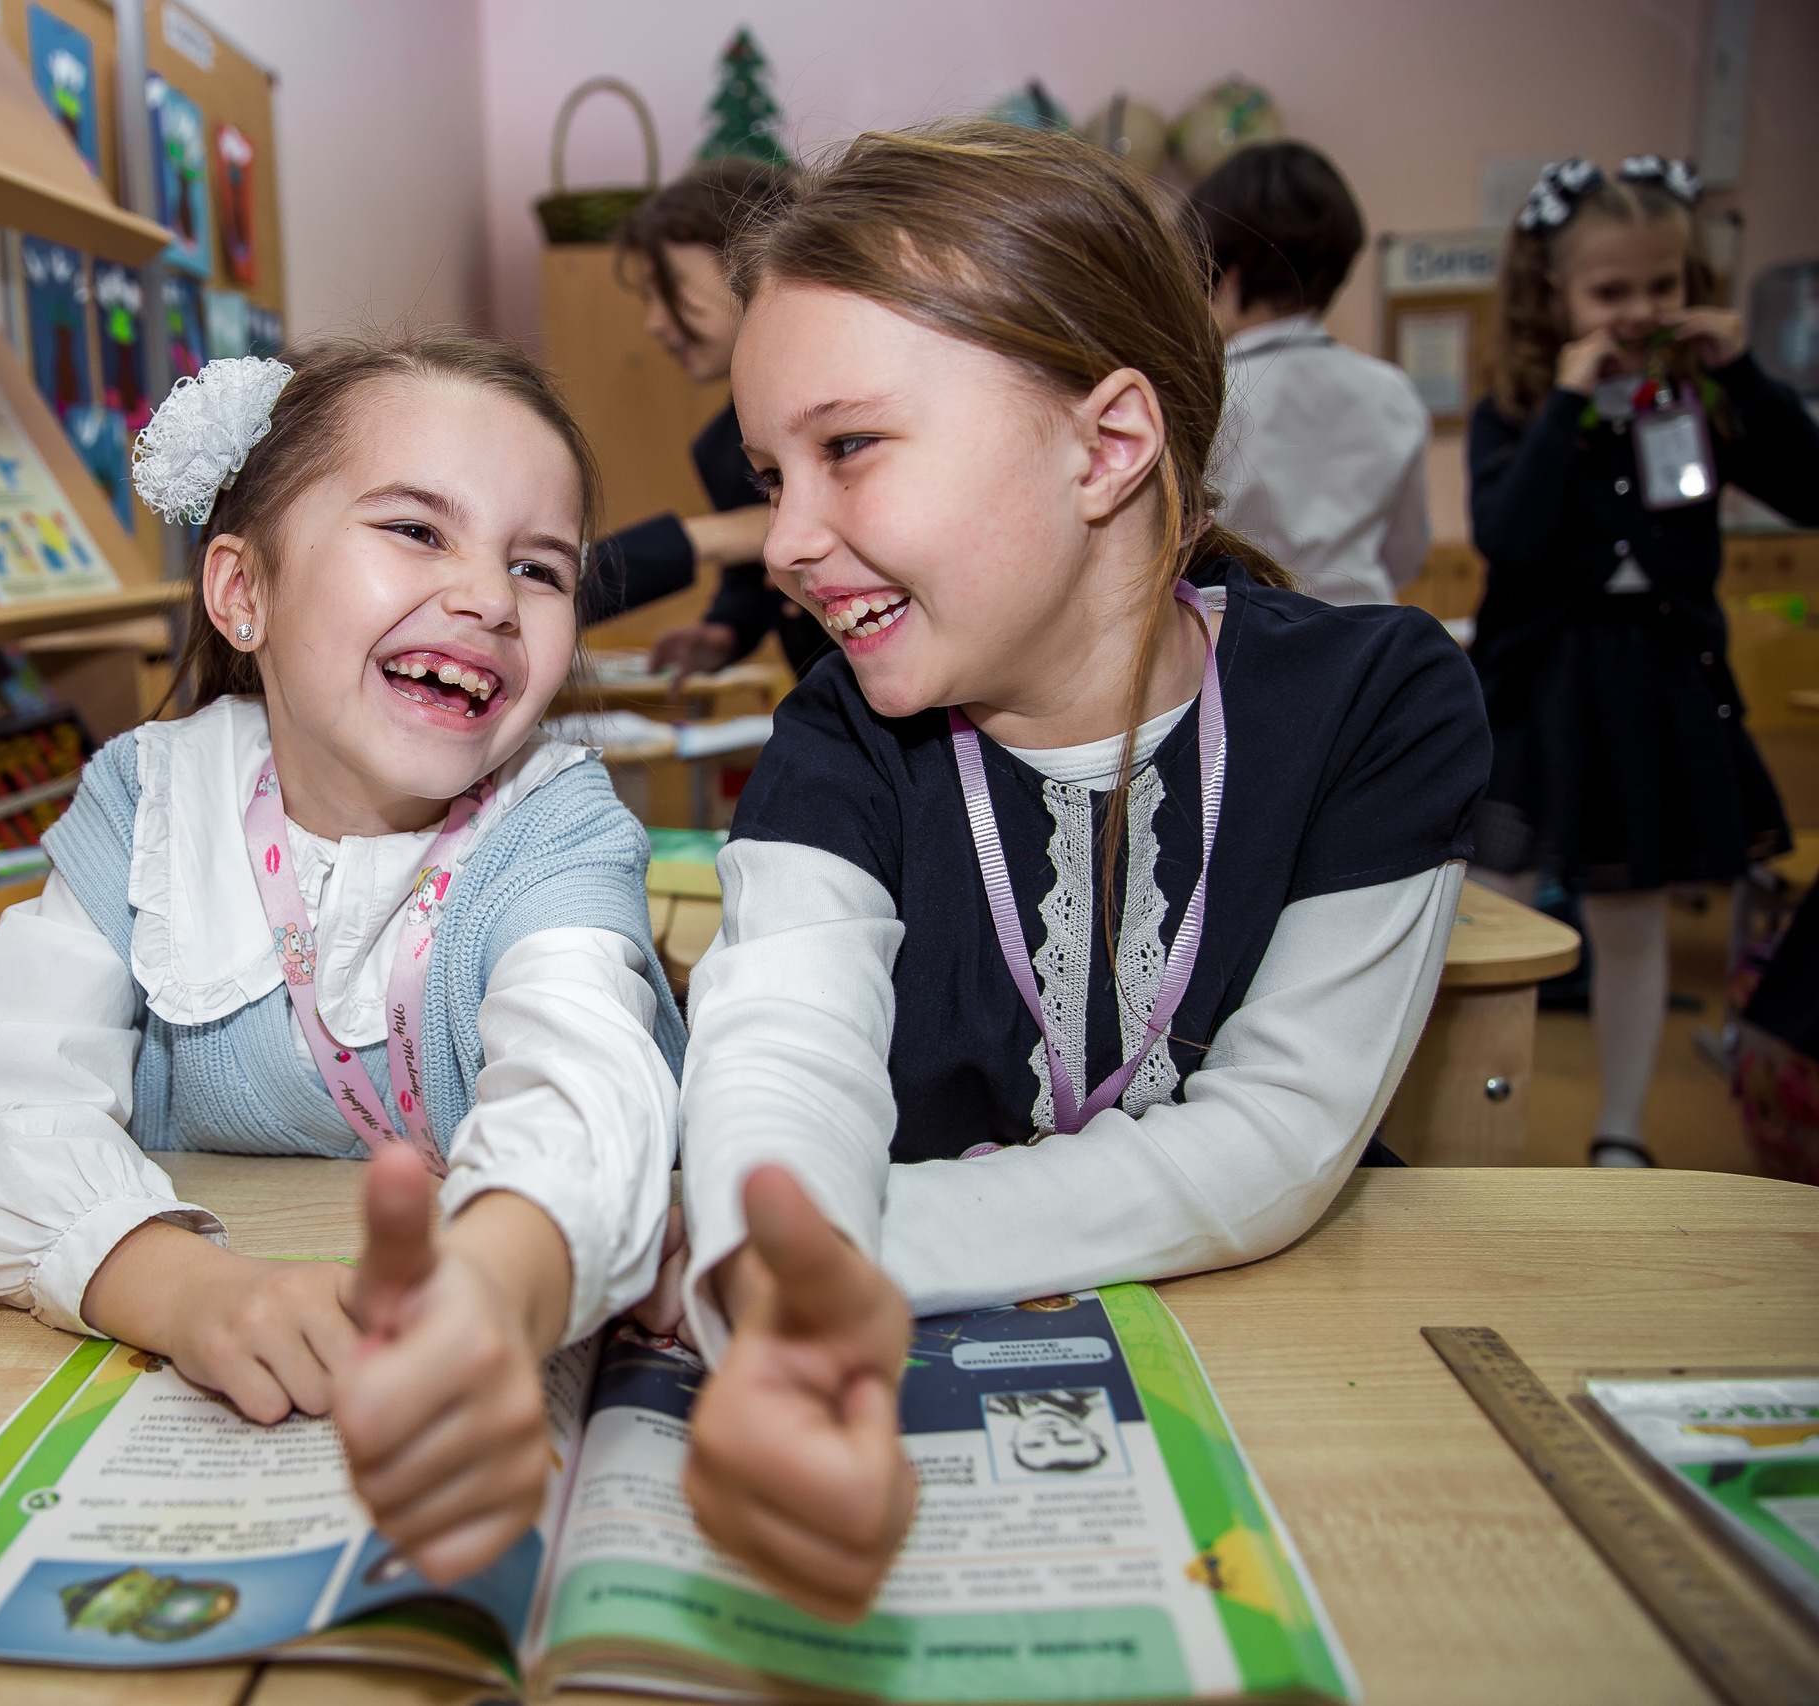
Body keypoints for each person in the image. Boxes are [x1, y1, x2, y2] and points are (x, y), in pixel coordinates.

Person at [660, 120, 1490, 1621]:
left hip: (1304, 1405)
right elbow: (778, 1045)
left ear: (1108, 443)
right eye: (775, 470)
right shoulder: (839, 737)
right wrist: (773, 1269)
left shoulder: (1377, 702)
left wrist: (846, 1249)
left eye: (845, 447)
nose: (786, 539)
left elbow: (1280, 1140)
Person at [0, 334, 688, 1584]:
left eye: (537, 564)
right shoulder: (149, 803)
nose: (490, 593)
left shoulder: (558, 826)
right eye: (419, 531)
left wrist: (493, 1291)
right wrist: (182, 1292)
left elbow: (585, 1089)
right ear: (243, 591)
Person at [1468, 155, 1819, 1167]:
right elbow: (1510, 535)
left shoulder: (1703, 397)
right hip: (1535, 696)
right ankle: (1475, 1122)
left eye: (1661, 286)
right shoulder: (1519, 405)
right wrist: (1568, 407)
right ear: (1555, 294)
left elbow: (1806, 485)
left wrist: (1744, 369)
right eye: (1610, 290)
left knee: (1631, 911)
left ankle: (1619, 1126)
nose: (1640, 309)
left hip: (1654, 690)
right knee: (1491, 905)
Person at [581, 159, 832, 677]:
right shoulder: (719, 446)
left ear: (756, 254)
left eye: (670, 286)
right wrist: (727, 629)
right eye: (646, 299)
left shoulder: (849, 398)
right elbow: (752, 583)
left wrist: (714, 536)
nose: (653, 323)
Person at [1190, 141, 1430, 606]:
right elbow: (1405, 557)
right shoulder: (1391, 391)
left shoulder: (1210, 395)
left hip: (1247, 642)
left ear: (1228, 272)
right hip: (1367, 643)